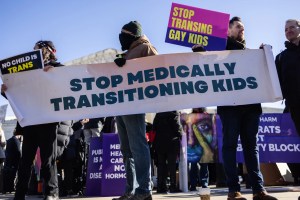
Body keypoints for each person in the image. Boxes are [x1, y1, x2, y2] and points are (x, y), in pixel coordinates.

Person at [1, 40, 73, 200]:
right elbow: (20, 93)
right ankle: (19, 194)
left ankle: (52, 194)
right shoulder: (27, 71)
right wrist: (7, 91)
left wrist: (53, 74)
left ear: (49, 51)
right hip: (30, 123)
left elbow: (68, 85)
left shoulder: (59, 68)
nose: (35, 52)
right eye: (33, 50)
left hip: (48, 121)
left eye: (38, 50)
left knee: (48, 160)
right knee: (25, 161)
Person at [217, 17, 278, 200]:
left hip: (251, 107)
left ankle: (258, 190)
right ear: (227, 31)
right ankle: (233, 191)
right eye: (237, 26)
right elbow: (202, 62)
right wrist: (199, 52)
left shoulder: (251, 54)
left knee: (251, 148)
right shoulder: (219, 52)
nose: (241, 29)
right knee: (229, 147)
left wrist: (262, 56)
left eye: (242, 27)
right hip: (230, 108)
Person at [113, 21, 158, 200]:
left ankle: (144, 190)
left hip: (135, 105)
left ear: (132, 35)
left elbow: (157, 68)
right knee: (127, 150)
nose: (121, 38)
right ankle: (131, 190)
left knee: (138, 147)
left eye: (124, 35)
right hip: (122, 105)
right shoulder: (130, 51)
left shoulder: (146, 48)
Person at [275, 19, 300, 190]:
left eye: (292, 27)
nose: (289, 31)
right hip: (294, 108)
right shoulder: (281, 57)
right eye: (286, 29)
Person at [153, 111, 182, 193]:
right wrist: (180, 134)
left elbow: (154, 127)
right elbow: (177, 127)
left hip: (159, 142)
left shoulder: (158, 113)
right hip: (172, 142)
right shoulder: (174, 112)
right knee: (172, 165)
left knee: (161, 165)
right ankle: (173, 186)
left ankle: (160, 187)